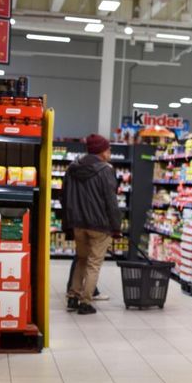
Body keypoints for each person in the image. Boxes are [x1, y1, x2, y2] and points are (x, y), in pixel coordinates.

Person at [62, 134, 122, 315]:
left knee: (81, 260)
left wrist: (68, 222)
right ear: (101, 151)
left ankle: (73, 296)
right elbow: (111, 202)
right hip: (99, 225)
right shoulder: (106, 170)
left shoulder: (72, 168)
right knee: (94, 263)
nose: (110, 152)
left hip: (78, 223)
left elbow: (64, 197)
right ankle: (85, 302)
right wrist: (116, 226)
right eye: (108, 148)